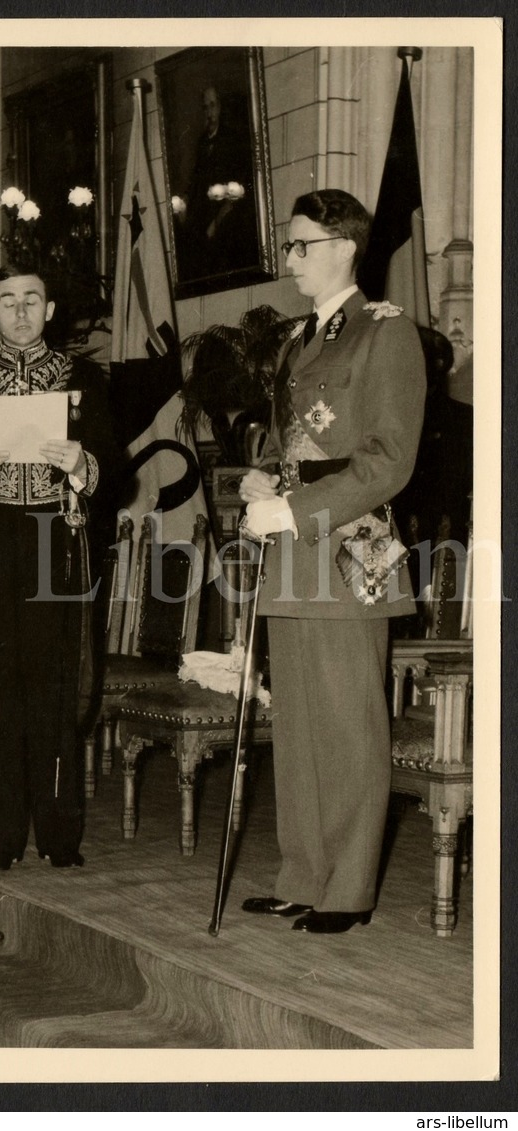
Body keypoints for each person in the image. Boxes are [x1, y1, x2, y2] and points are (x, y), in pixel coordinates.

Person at [239, 189, 426, 933]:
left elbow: (387, 460)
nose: (289, 260)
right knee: (299, 727)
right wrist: (262, 476)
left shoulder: (386, 333)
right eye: (290, 246)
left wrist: (294, 507)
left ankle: (345, 890)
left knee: (349, 726)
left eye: (301, 245)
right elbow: (294, 441)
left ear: (345, 246)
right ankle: (302, 873)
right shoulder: (296, 338)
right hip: (293, 555)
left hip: (349, 551)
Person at [0, 262, 120, 871]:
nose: (20, 312)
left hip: (56, 538)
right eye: (7, 302)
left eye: (31, 301)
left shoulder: (85, 380)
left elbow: (112, 476)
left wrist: (81, 465)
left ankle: (58, 834)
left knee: (53, 689)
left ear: (50, 310)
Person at [177, 85, 255, 278]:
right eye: (206, 107)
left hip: (228, 214)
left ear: (220, 107)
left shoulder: (232, 139)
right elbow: (197, 177)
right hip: (206, 213)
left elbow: (238, 185)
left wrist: (217, 221)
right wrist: (184, 199)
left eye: (212, 105)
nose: (209, 112)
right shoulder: (203, 141)